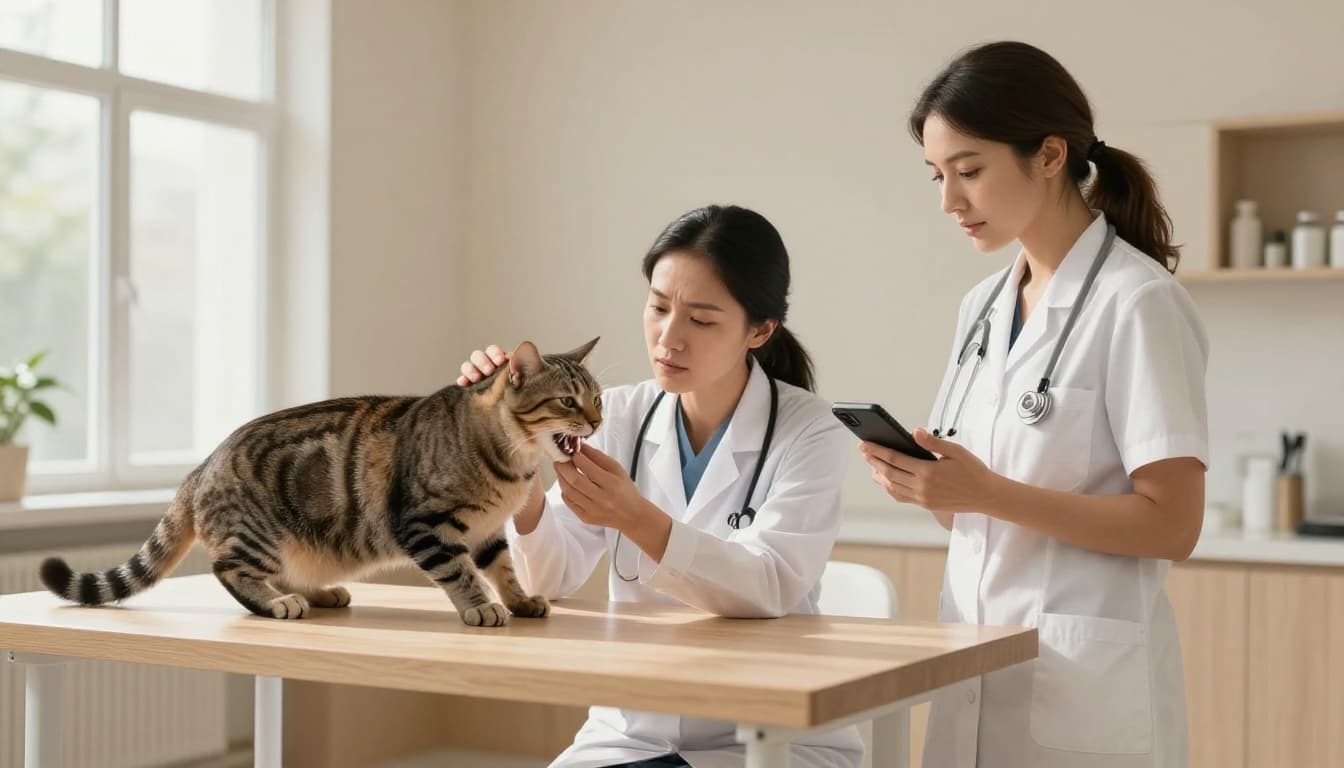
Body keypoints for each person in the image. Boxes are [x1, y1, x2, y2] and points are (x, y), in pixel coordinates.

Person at [860, 41, 1208, 768]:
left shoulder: (1139, 303)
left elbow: (1173, 523)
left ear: (1050, 155)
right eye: (938, 176)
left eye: (970, 171)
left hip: (1082, 696)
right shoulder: (982, 307)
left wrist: (985, 491)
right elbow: (982, 512)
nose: (950, 201)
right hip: (973, 667)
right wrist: (932, 486)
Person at [458, 204, 863, 768]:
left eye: (700, 320)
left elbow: (770, 584)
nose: (668, 338)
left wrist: (636, 518)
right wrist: (512, 446)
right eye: (657, 307)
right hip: (632, 731)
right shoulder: (617, 414)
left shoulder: (810, 429)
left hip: (769, 734)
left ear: (760, 330)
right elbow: (544, 578)